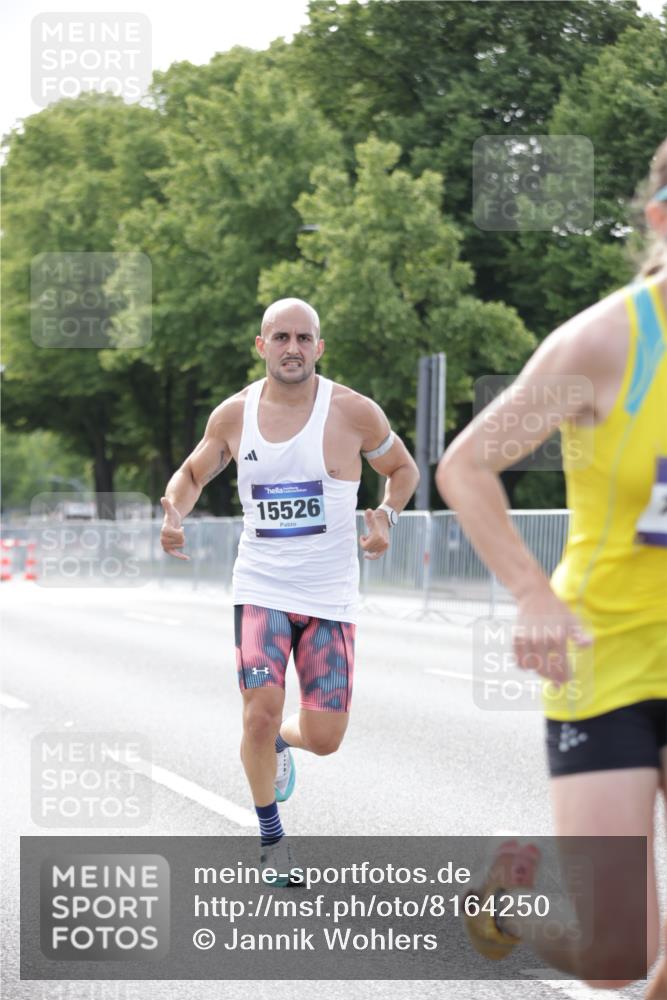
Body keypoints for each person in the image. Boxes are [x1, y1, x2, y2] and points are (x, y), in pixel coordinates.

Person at [436, 138, 667, 994]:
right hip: (602, 655)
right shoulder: (608, 343)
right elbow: (465, 464)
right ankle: (508, 906)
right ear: (659, 219)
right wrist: (531, 596)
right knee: (615, 957)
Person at [160, 297, 419, 881]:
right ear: (262, 345)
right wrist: (175, 510)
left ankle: (281, 740)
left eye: (304, 338)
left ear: (319, 347)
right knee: (257, 714)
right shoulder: (234, 415)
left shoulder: (354, 413)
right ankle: (272, 840)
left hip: (329, 597)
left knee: (325, 738)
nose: (293, 348)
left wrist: (387, 516)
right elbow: (195, 472)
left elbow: (404, 471)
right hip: (260, 586)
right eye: (281, 338)